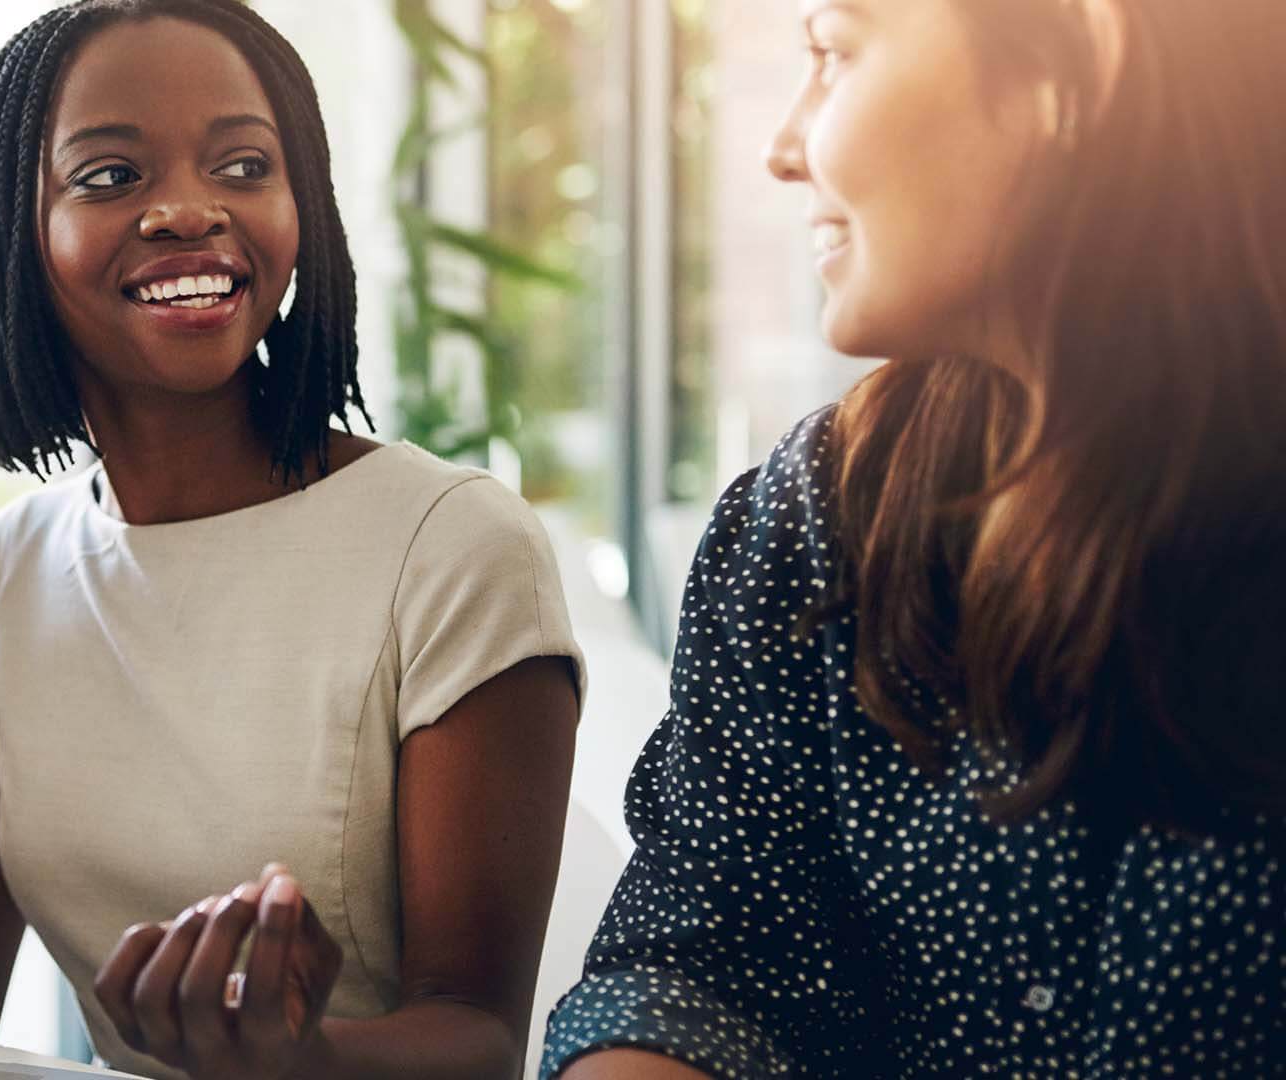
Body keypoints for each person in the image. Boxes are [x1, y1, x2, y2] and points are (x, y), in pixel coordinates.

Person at [545, 0, 1286, 1076]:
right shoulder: (814, 519)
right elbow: (695, 968)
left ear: (1072, 67)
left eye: (833, 54)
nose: (782, 146)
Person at [0, 1, 585, 1077]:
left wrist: (296, 1059)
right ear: (11, 234)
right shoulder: (11, 572)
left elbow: (483, 1037)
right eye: (109, 176)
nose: (188, 211)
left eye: (242, 164)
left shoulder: (450, 546)